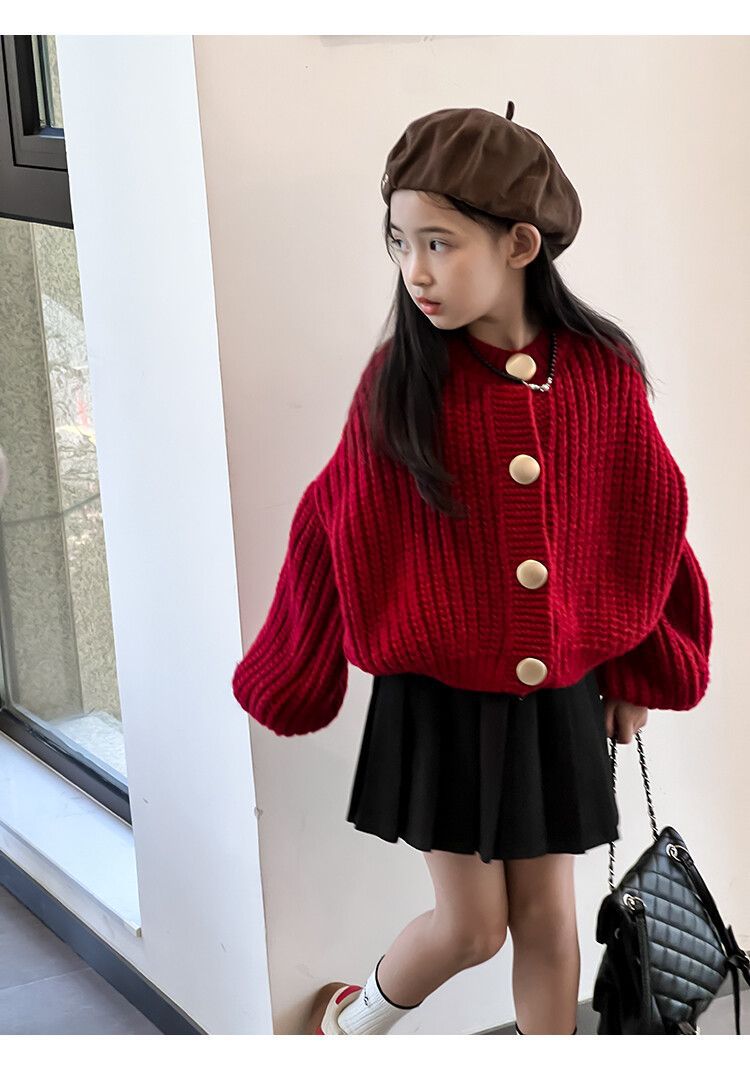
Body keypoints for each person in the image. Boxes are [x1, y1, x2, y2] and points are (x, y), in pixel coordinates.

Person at [232, 104, 713, 1036]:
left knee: (549, 919)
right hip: (438, 700)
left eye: (439, 243)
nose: (414, 270)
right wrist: (298, 666)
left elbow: (643, 522)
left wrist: (640, 670)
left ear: (520, 244)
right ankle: (351, 1025)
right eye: (399, 242)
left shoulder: (601, 371)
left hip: (559, 699)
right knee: (471, 928)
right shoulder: (402, 382)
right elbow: (335, 520)